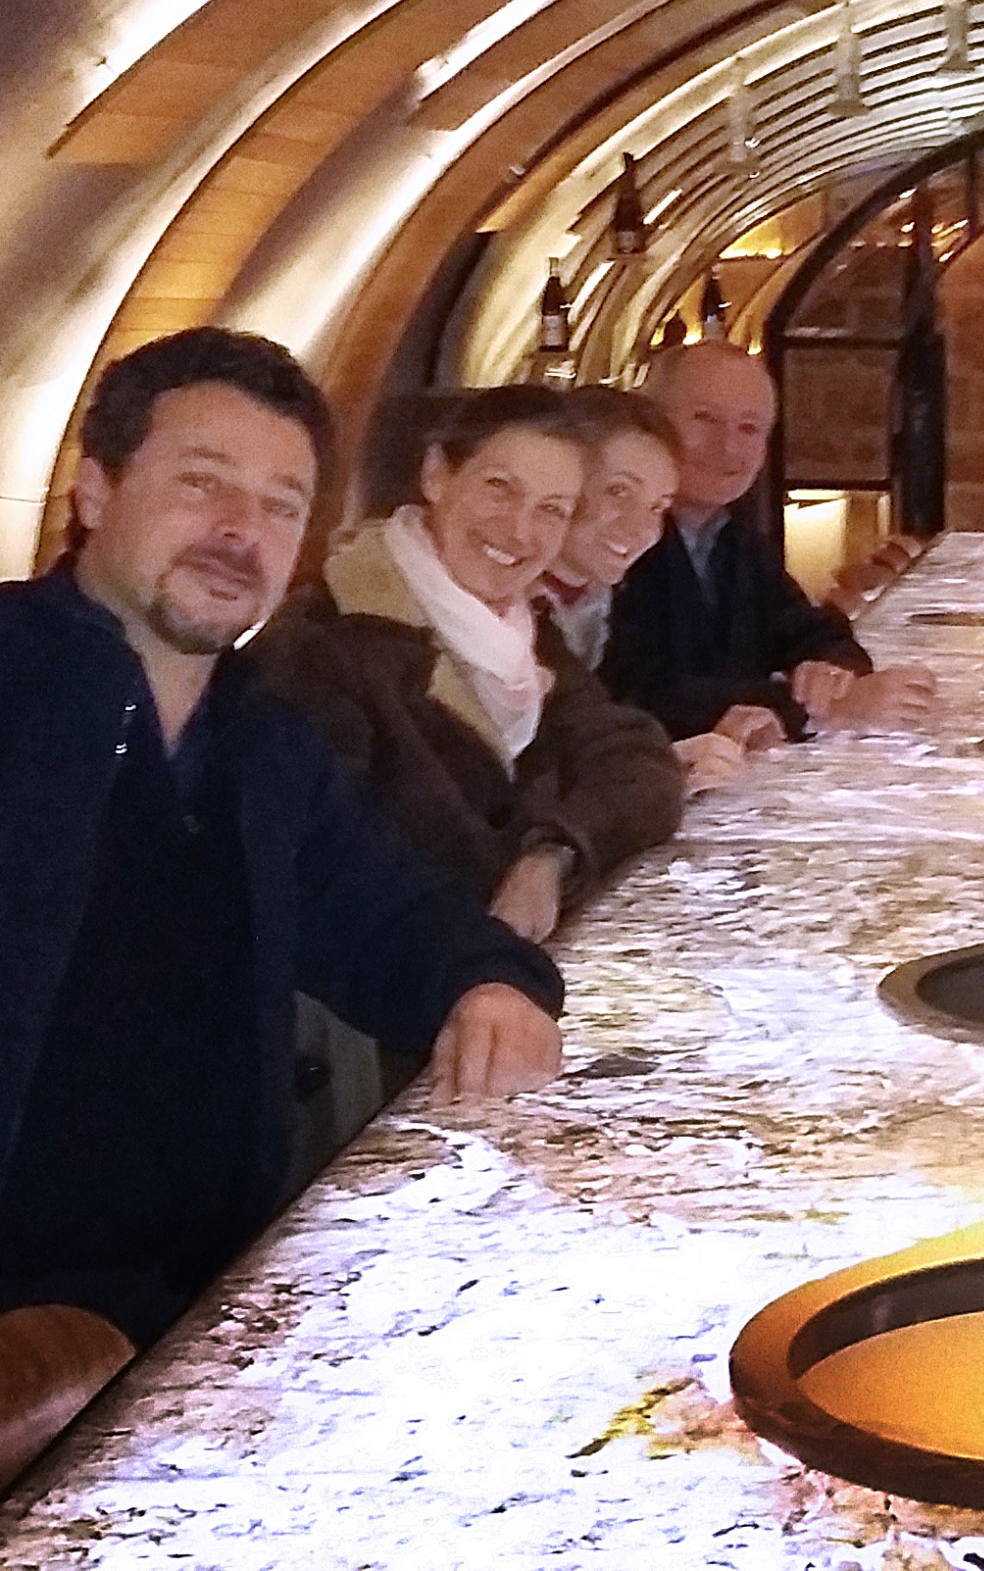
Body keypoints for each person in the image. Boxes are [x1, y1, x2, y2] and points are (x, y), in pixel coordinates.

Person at [0, 329, 563, 1351]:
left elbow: (390, 914)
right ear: (92, 492)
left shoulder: (260, 741)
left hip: (210, 1306)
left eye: (280, 505)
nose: (238, 531)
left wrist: (489, 980)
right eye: (201, 484)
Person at [252, 386, 685, 946]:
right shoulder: (325, 644)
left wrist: (552, 856)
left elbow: (638, 760)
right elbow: (342, 876)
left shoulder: (522, 631)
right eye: (500, 489)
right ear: (437, 475)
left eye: (551, 510)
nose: (521, 531)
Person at [602, 341, 937, 743]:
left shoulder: (730, 532)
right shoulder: (617, 538)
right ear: (650, 425)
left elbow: (809, 629)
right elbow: (641, 695)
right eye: (704, 419)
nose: (728, 447)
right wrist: (821, 707)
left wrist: (829, 671)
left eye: (749, 428)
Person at [538, 386, 751, 792]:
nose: (640, 529)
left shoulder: (599, 600)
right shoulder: (513, 609)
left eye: (657, 507)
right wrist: (657, 769)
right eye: (619, 492)